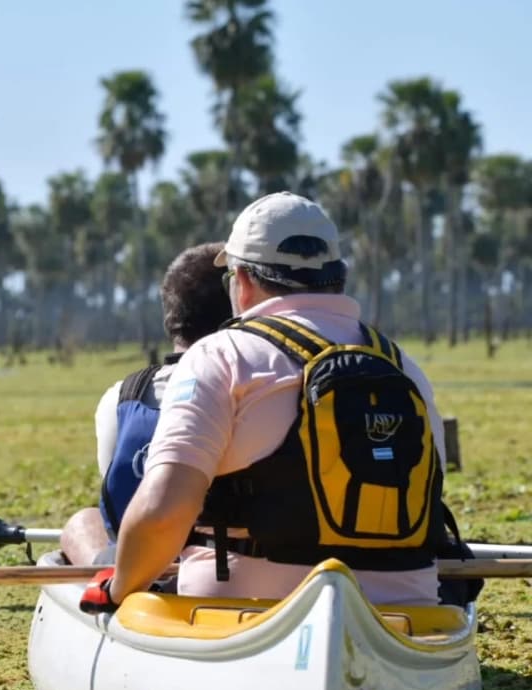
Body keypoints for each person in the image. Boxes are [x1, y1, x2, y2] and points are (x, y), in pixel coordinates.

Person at [82, 191, 452, 613]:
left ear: (241, 281)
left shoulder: (219, 355)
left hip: (241, 615)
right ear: (338, 276)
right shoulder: (402, 364)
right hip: (407, 614)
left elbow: (164, 512)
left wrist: (118, 590)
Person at [61, 242, 232, 566]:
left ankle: (105, 572)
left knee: (82, 522)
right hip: (224, 566)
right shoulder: (256, 387)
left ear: (171, 316)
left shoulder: (120, 397)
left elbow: (119, 501)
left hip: (141, 569)